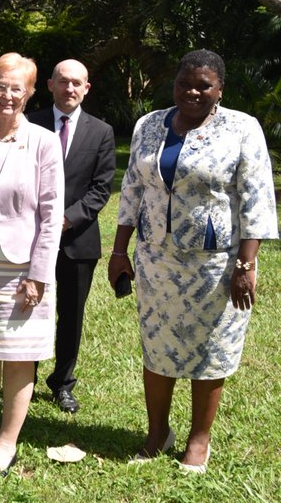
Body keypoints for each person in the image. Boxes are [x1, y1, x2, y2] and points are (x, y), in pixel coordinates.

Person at [110, 49, 277, 473]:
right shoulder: (150, 125)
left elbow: (256, 199)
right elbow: (131, 189)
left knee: (210, 352)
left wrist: (246, 265)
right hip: (155, 262)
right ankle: (157, 433)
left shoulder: (241, 128)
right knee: (157, 349)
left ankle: (198, 440)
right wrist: (118, 250)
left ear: (220, 88)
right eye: (185, 82)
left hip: (214, 267)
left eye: (204, 84)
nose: (192, 91)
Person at [0, 53, 63, 475]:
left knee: (19, 357)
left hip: (21, 272)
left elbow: (51, 213)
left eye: (16, 88)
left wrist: (38, 275)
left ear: (30, 93)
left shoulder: (44, 141)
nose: (7, 95)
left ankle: (7, 441)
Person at [26, 59, 115, 414]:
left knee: (71, 315)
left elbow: (101, 188)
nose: (70, 89)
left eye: (77, 83)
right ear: (49, 85)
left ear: (87, 88)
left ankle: (62, 382)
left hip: (77, 240)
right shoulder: (30, 123)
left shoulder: (101, 132)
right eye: (63, 82)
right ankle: (25, 378)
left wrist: (63, 220)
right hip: (31, 238)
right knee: (30, 308)